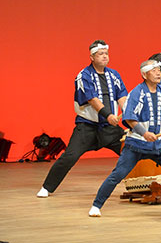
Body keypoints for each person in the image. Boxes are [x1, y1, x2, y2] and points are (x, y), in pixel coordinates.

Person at [88, 59, 161, 216]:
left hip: (158, 146)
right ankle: (96, 205)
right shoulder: (137, 93)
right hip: (136, 145)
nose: (158, 73)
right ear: (144, 74)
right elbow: (130, 118)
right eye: (154, 70)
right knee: (117, 175)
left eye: (159, 70)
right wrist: (144, 133)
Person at [37, 40, 128, 198]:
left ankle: (145, 184)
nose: (105, 56)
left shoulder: (114, 75)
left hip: (110, 128)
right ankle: (47, 187)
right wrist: (108, 115)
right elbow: (92, 99)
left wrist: (127, 113)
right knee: (70, 156)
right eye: (100, 54)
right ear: (92, 57)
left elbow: (121, 96)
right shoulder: (84, 76)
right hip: (87, 128)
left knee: (131, 150)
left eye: (106, 53)